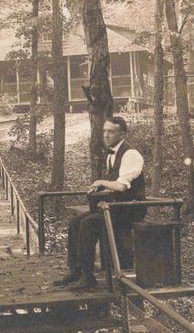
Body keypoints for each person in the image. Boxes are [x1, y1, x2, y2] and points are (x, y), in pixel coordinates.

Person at [55, 116, 146, 289]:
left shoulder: (131, 154)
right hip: (115, 208)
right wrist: (98, 192)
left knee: (89, 223)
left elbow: (121, 186)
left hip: (130, 210)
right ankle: (76, 270)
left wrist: (100, 182)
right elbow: (114, 187)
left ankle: (88, 276)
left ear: (123, 134)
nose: (106, 135)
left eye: (111, 131)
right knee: (75, 222)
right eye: (104, 131)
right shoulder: (111, 155)